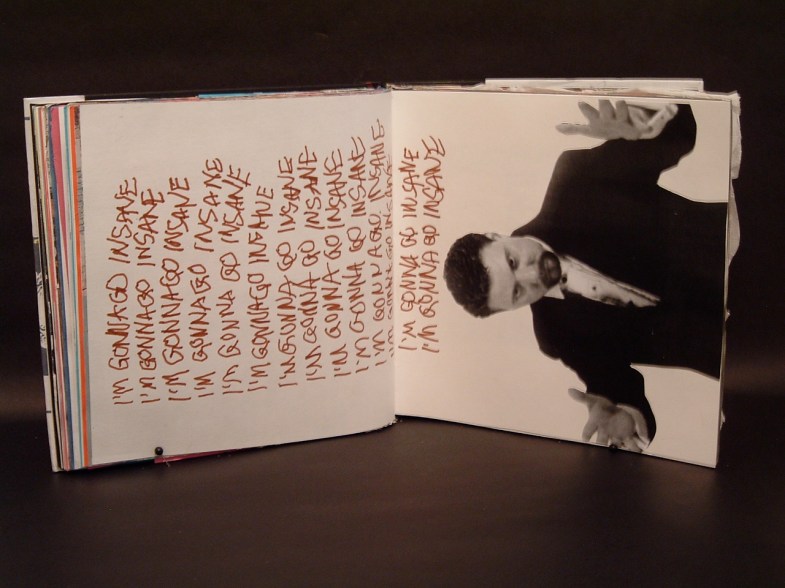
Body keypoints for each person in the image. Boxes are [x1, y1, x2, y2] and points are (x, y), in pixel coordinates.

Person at [444, 100, 728, 452]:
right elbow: (616, 389)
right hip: (748, 352)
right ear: (509, 310)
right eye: (517, 293)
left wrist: (643, 125)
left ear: (496, 236)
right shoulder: (556, 336)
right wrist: (624, 416)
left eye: (513, 261)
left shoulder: (575, 181)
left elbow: (678, 136)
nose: (532, 275)